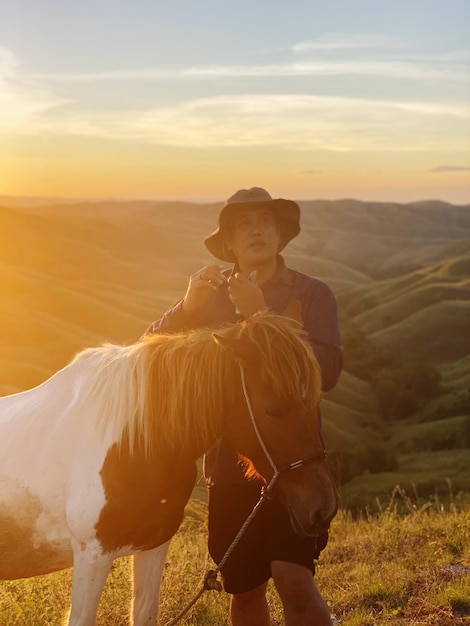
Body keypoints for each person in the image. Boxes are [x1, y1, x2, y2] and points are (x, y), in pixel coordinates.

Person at [146, 187, 343, 626]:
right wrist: (185, 308)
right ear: (229, 243)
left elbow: (326, 370)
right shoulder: (208, 300)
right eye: (243, 225)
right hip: (228, 468)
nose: (256, 230)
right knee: (244, 586)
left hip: (293, 460)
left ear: (280, 235)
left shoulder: (312, 295)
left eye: (265, 221)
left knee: (294, 579)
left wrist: (264, 315)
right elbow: (147, 356)